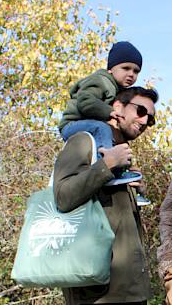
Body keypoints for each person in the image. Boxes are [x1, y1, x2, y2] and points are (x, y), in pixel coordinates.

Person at [53, 86, 158, 305]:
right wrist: (107, 165)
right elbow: (62, 197)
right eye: (140, 111)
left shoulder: (123, 154)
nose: (145, 121)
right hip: (98, 293)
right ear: (117, 107)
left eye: (150, 119)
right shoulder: (84, 140)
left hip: (132, 290)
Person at [58, 41, 150, 204]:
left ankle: (130, 186)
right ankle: (111, 167)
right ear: (111, 68)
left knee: (113, 142)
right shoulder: (102, 81)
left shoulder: (115, 89)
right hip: (73, 124)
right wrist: (109, 112)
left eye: (136, 71)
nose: (131, 74)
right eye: (126, 68)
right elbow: (84, 101)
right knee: (101, 128)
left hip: (90, 127)